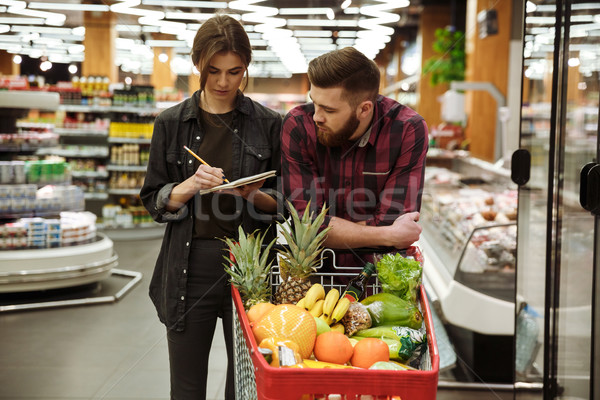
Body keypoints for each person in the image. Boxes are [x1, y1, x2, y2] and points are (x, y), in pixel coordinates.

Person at [140, 14, 282, 400]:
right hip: (190, 267)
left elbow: (285, 204)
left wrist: (252, 193)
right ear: (197, 64)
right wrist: (185, 187)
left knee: (247, 386)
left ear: (246, 68)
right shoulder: (171, 123)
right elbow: (153, 200)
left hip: (252, 266)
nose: (223, 82)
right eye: (213, 71)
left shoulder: (270, 124)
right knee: (186, 389)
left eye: (235, 72)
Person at [280, 46, 428, 268]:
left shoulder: (406, 129)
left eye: (329, 110)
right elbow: (308, 227)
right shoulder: (299, 126)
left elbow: (393, 220)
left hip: (378, 277)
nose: (316, 117)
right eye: (314, 103)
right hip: (313, 278)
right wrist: (387, 234)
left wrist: (335, 229)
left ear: (364, 109)